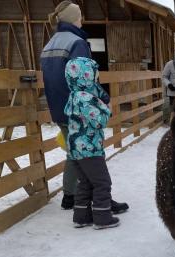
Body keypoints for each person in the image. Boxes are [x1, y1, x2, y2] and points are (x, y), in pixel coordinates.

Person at [40, 0, 128, 214]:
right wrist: (102, 99)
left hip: (59, 107)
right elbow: (84, 78)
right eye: (80, 16)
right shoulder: (76, 43)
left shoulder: (50, 44)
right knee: (89, 153)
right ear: (73, 18)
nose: (82, 20)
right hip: (80, 109)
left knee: (74, 152)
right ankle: (96, 199)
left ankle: (73, 197)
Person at [64, 57, 120, 229]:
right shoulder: (86, 98)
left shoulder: (74, 95)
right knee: (102, 182)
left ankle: (81, 216)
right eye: (94, 76)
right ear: (85, 77)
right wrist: (106, 108)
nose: (96, 79)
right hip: (89, 148)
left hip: (75, 148)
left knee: (85, 182)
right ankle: (103, 217)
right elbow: (99, 121)